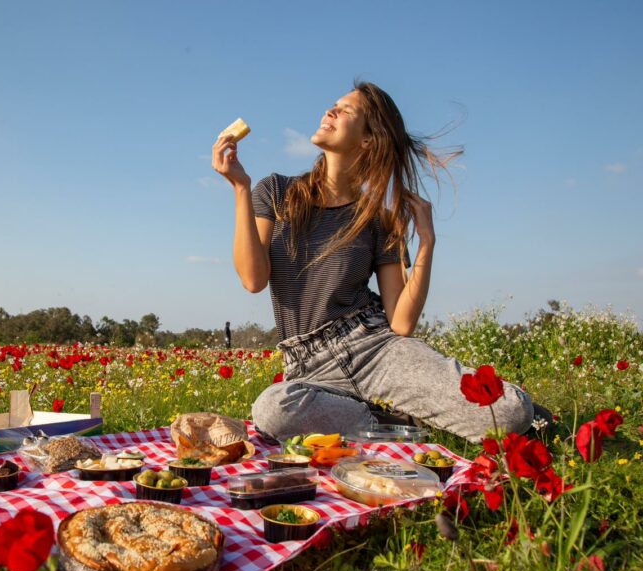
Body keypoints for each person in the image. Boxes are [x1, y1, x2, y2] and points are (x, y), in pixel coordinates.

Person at [212, 81, 547, 444]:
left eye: (346, 110)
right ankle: (389, 420)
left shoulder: (379, 218)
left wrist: (427, 244)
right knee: (272, 410)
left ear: (368, 140)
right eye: (334, 105)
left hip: (378, 349)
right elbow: (253, 279)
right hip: (310, 367)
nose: (330, 111)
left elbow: (401, 322)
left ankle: (387, 421)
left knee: (511, 412)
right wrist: (240, 188)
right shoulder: (274, 191)